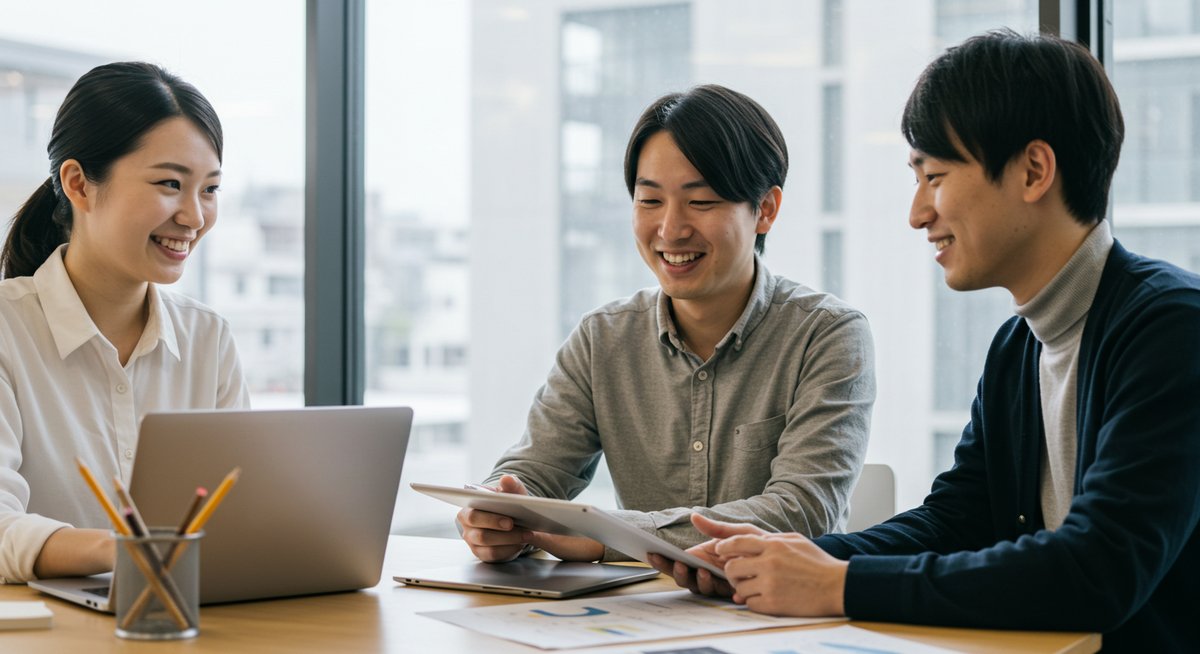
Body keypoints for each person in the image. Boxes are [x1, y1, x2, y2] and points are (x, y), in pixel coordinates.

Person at [650, 30, 1200, 651]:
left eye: (934, 176)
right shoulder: (1018, 346)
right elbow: (956, 520)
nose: (918, 213)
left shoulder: (1172, 328)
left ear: (1034, 171)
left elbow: (1098, 570)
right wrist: (785, 561)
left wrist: (840, 584)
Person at [457, 84, 876, 564]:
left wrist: (608, 536)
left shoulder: (828, 335)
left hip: (774, 604)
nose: (671, 230)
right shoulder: (603, 338)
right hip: (636, 606)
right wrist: (495, 513)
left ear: (765, 209)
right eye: (650, 201)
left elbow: (801, 513)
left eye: (701, 202)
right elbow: (533, 472)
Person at [0, 62, 249, 584]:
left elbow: (242, 515)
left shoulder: (208, 339)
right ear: (78, 184)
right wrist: (126, 550)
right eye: (169, 183)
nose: (194, 217)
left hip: (184, 619)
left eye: (209, 189)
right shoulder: (8, 329)